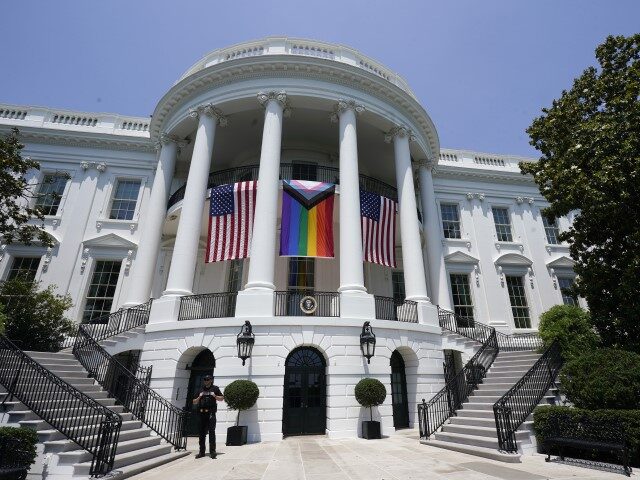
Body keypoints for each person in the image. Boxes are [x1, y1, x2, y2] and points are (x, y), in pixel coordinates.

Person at [192, 374, 224, 458]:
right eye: (205, 379)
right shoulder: (200, 389)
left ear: (211, 380)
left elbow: (221, 398)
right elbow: (194, 402)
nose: (206, 381)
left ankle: (212, 452)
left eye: (207, 379)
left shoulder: (215, 388)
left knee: (212, 432)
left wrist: (215, 396)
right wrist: (199, 397)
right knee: (201, 433)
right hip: (201, 413)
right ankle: (201, 452)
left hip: (210, 414)